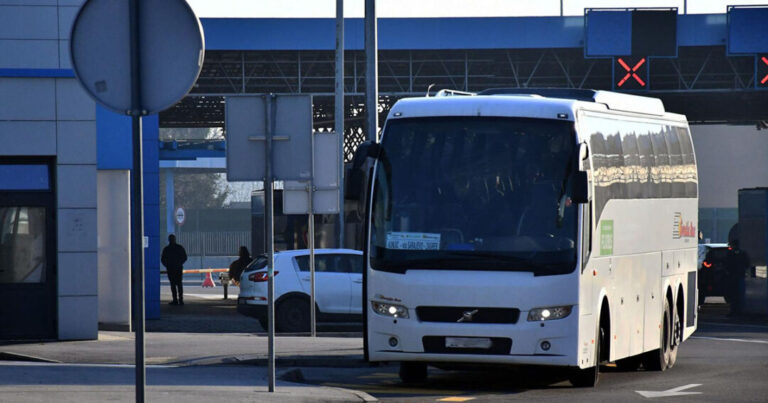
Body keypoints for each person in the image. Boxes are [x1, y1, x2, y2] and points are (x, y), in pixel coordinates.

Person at [725, 239, 750, 317]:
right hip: (740, 276)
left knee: (733, 295)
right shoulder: (743, 253)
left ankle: (734, 311)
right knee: (739, 295)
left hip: (733, 276)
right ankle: (739, 311)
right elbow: (747, 263)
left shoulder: (730, 254)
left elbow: (726, 263)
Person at [161, 234, 188, 306]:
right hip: (178, 268)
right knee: (179, 284)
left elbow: (163, 259)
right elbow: (185, 257)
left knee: (173, 284)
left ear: (168, 240)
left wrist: (167, 265)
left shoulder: (166, 249)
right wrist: (179, 263)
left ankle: (175, 300)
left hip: (170, 269)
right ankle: (181, 300)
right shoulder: (179, 248)